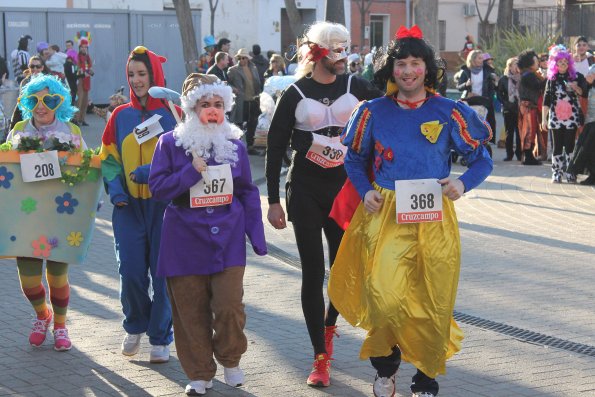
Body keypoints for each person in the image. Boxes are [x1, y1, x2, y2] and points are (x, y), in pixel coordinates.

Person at [328, 25, 493, 397]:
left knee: (432, 299)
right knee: (385, 297)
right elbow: (354, 158)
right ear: (390, 69)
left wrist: (462, 183)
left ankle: (426, 377)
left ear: (427, 68)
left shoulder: (450, 111)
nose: (407, 71)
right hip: (386, 216)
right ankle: (385, 367)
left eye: (415, 63)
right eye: (400, 64)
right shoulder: (372, 111)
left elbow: (481, 158)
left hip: (435, 219)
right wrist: (365, 190)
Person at [265, 20, 382, 388]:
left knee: (343, 269)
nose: (344, 57)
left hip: (344, 188)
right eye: (336, 50)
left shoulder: (356, 86)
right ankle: (319, 356)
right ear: (317, 53)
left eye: (346, 48)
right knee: (313, 272)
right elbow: (274, 147)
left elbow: (393, 105)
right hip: (305, 188)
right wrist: (271, 201)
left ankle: (329, 327)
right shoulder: (295, 93)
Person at [149, 73, 267, 396]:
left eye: (218, 104)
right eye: (205, 105)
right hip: (183, 241)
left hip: (227, 240)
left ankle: (230, 358)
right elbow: (158, 189)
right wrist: (190, 171)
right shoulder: (170, 144)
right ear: (191, 109)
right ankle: (199, 372)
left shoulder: (234, 144)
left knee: (230, 305)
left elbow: (246, 191)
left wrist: (255, 234)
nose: (213, 111)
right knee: (189, 311)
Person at [99, 46, 177, 364]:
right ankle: (135, 325)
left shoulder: (173, 114)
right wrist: (116, 192)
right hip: (128, 207)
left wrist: (160, 179)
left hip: (165, 208)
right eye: (131, 75)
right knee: (130, 271)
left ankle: (160, 338)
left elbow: (184, 156)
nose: (136, 80)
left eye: (142, 74)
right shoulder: (120, 115)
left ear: (154, 75)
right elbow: (108, 157)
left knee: (163, 276)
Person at [6, 74, 86, 351]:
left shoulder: (72, 132)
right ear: (27, 103)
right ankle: (43, 316)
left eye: (49, 99)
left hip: (60, 217)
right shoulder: (18, 129)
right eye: (34, 99)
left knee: (57, 277)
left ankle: (61, 326)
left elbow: (86, 172)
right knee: (29, 281)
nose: (41, 106)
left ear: (60, 102)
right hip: (26, 217)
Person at [542, 45, 587, 183]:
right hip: (555, 117)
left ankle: (570, 172)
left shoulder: (577, 76)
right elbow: (546, 99)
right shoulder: (552, 79)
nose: (563, 64)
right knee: (557, 145)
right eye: (560, 62)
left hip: (571, 116)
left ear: (569, 63)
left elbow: (584, 93)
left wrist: (576, 87)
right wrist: (544, 119)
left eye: (566, 62)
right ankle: (556, 172)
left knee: (569, 145)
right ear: (555, 63)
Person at [227, 48, 262, 154]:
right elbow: (226, 83)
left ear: (248, 59)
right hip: (241, 101)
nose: (242, 60)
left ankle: (250, 146)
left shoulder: (253, 68)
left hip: (253, 100)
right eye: (240, 58)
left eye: (244, 58)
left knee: (252, 124)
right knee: (239, 123)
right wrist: (233, 88)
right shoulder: (233, 70)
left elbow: (258, 83)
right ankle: (238, 146)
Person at [456, 50, 497, 140]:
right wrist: (466, 85)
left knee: (481, 123)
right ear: (473, 59)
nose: (482, 60)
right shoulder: (465, 71)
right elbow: (459, 87)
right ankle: (468, 139)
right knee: (469, 123)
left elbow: (492, 88)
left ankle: (482, 140)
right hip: (469, 101)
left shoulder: (487, 71)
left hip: (483, 101)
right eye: (480, 58)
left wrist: (489, 98)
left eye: (482, 58)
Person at [518, 49, 547, 165]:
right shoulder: (528, 74)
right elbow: (537, 86)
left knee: (529, 131)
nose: (538, 62)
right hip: (528, 107)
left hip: (528, 106)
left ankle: (528, 156)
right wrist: (547, 79)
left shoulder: (528, 73)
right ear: (529, 62)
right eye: (536, 60)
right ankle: (528, 157)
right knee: (529, 131)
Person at [568, 63, 595, 185]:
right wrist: (588, 83)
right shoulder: (592, 67)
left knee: (588, 146)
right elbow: (584, 91)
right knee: (586, 147)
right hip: (590, 118)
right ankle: (592, 175)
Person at [10, 56, 50, 130]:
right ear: (29, 67)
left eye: (38, 66)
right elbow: (22, 101)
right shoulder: (25, 82)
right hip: (28, 113)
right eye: (32, 66)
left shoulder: (48, 82)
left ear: (42, 68)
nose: (35, 69)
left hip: (44, 112)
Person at [497, 57, 521, 161]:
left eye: (518, 64)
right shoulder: (504, 79)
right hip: (508, 109)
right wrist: (506, 103)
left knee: (519, 132)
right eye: (515, 64)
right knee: (509, 132)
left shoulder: (522, 78)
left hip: (520, 108)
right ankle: (509, 154)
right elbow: (499, 94)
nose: (517, 66)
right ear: (510, 66)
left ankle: (520, 153)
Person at [74, 36, 93, 126]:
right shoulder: (77, 57)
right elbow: (77, 69)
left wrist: (91, 71)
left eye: (85, 47)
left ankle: (82, 119)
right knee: (79, 101)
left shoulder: (88, 57)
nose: (84, 48)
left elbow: (89, 67)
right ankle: (76, 119)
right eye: (82, 47)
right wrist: (84, 72)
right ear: (79, 48)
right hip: (80, 80)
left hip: (87, 80)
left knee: (85, 101)